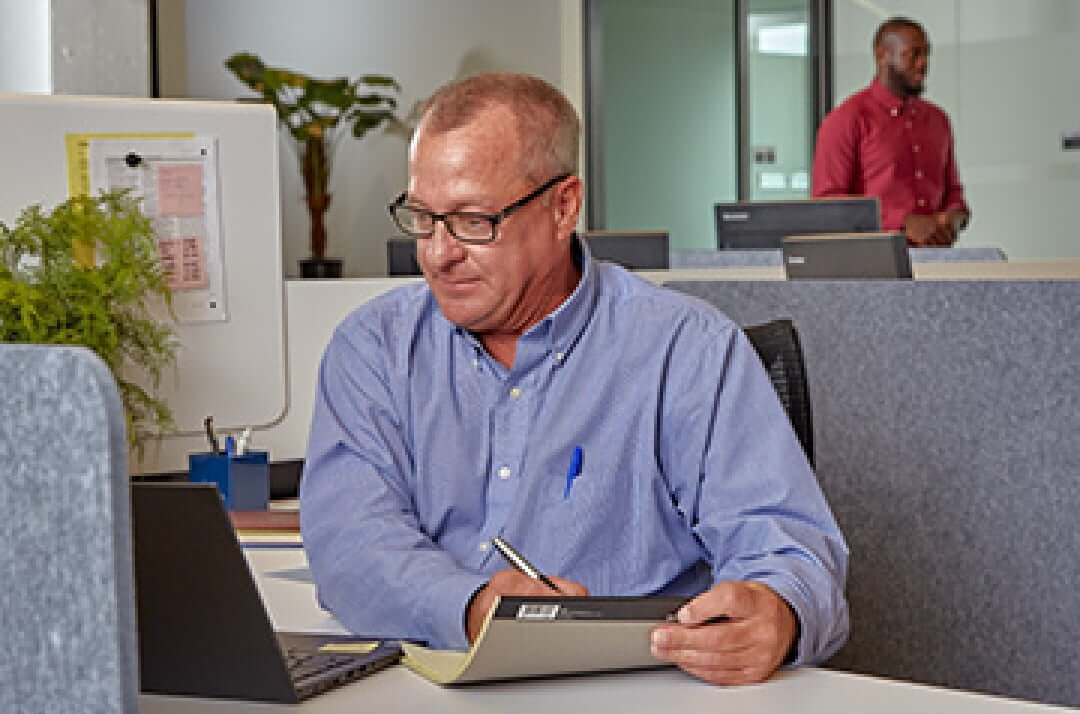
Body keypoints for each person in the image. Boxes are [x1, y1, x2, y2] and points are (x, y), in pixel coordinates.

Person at [300, 72, 848, 686]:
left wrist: (778, 612)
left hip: (641, 690)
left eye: (472, 221)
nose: (437, 253)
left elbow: (790, 548)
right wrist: (473, 606)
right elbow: (348, 542)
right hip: (425, 688)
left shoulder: (685, 350)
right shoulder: (374, 348)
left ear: (563, 207)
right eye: (423, 218)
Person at [812, 16, 970, 246]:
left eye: (926, 54)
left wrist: (953, 218)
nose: (923, 63)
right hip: (874, 264)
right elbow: (827, 204)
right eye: (913, 54)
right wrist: (902, 223)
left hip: (936, 261)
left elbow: (953, 193)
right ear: (882, 55)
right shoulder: (846, 120)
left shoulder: (938, 120)